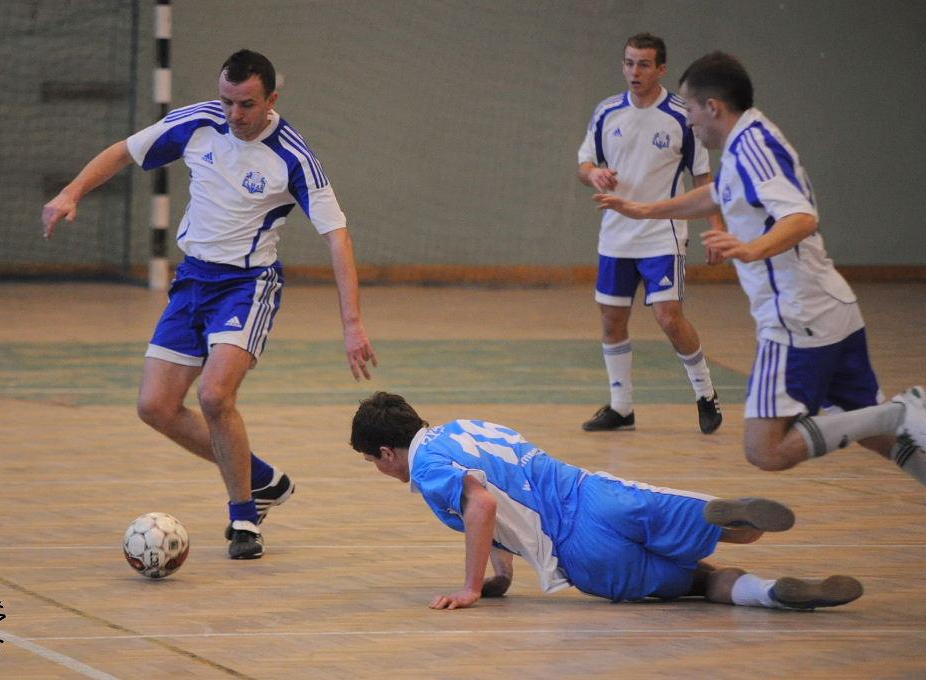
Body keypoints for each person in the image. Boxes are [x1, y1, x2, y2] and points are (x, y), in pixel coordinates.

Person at [42, 49, 378, 559]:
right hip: (192, 280)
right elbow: (124, 151)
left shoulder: (292, 156)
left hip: (247, 285)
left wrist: (352, 323)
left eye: (247, 104)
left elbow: (338, 237)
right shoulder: (198, 123)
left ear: (271, 99)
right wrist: (71, 192)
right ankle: (261, 478)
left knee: (215, 396)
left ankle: (244, 518)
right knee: (155, 407)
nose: (234, 115)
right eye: (227, 101)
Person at [593, 51, 926, 482]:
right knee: (872, 432)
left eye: (691, 109)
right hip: (830, 308)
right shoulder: (747, 139)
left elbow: (801, 218)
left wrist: (752, 250)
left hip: (797, 315)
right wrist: (644, 210)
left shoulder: (753, 149)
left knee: (765, 449)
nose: (689, 120)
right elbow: (717, 195)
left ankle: (900, 410)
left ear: (713, 107)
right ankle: (895, 420)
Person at [350, 391, 864, 611]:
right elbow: (502, 497)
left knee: (701, 582)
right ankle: (732, 520)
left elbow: (482, 508)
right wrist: (501, 576)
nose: (379, 470)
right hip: (596, 495)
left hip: (582, 553)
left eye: (374, 460)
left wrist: (470, 588)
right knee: (710, 525)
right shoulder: (467, 427)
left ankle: (769, 593)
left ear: (388, 452)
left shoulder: (427, 468)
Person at [576, 33, 726, 435]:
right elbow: (584, 164)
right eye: (629, 63)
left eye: (643, 64)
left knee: (668, 317)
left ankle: (706, 394)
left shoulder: (680, 116)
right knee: (611, 320)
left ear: (661, 69)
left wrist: (717, 230)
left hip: (663, 233)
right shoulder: (607, 111)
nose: (634, 71)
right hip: (616, 234)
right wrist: (595, 174)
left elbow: (703, 178)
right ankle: (622, 408)